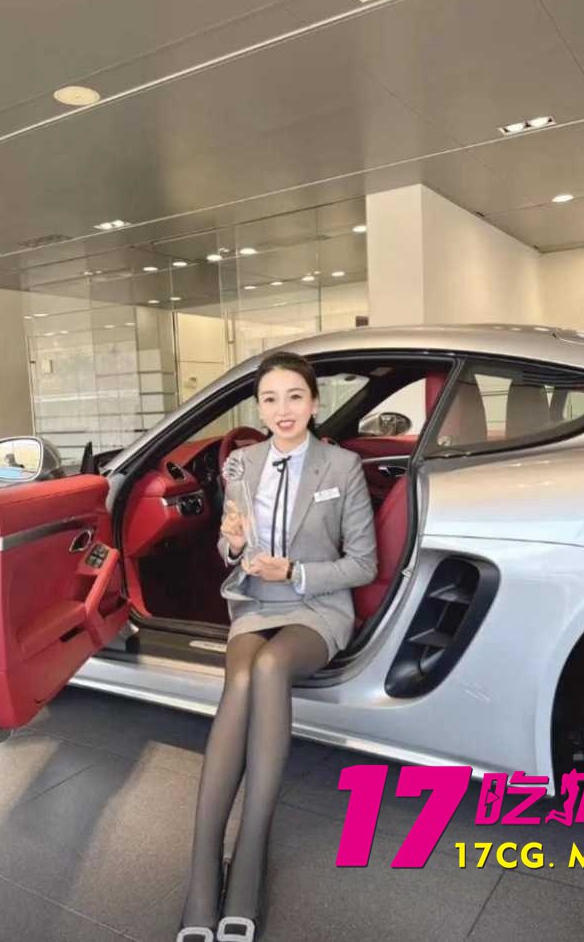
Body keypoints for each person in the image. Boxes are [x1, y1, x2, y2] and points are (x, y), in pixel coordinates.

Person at [177, 351, 377, 942]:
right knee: (240, 677)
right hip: (255, 605)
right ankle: (202, 870)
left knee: (267, 670)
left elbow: (364, 564)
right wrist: (235, 545)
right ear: (259, 408)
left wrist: (295, 571)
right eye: (270, 399)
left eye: (294, 396)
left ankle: (249, 857)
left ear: (314, 403)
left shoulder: (342, 466)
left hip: (317, 607)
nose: (282, 409)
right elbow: (228, 546)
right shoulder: (241, 463)